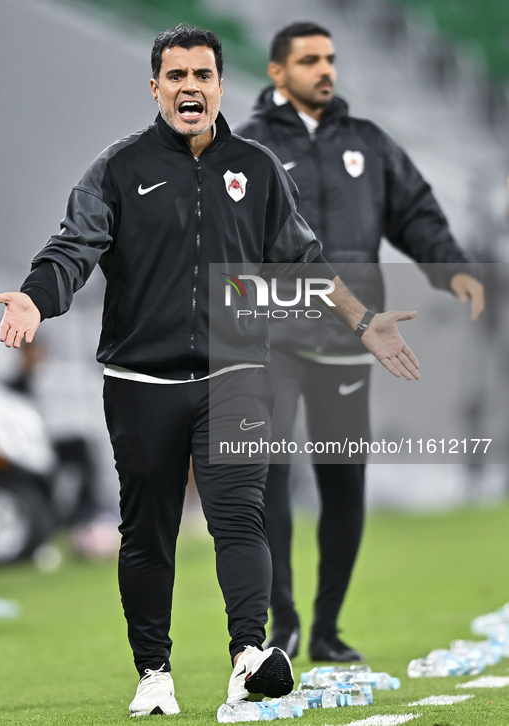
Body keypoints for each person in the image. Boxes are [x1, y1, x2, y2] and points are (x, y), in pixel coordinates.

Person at [0, 24, 420, 715]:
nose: (190, 87)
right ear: (155, 85)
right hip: (140, 383)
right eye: (177, 76)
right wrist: (37, 299)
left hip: (236, 373)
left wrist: (363, 322)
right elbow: (73, 247)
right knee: (146, 530)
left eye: (203, 76)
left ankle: (248, 655)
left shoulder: (257, 167)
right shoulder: (117, 168)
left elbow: (302, 261)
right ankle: (153, 671)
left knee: (239, 516)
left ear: (220, 85)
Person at [235, 21, 484, 663]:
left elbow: (415, 210)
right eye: (310, 59)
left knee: (344, 479)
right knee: (267, 476)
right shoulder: (248, 146)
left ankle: (326, 628)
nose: (326, 69)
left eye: (331, 58)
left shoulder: (367, 143)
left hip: (349, 339)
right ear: (276, 72)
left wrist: (449, 263)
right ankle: (281, 623)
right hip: (271, 338)